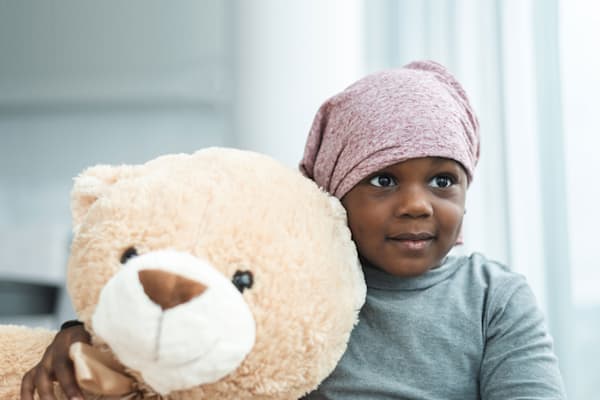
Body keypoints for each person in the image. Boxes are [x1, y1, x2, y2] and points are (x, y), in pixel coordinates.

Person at [21, 60, 566, 400]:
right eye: (382, 179)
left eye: (443, 179)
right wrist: (86, 335)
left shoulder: (495, 298)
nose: (417, 205)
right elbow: (180, 312)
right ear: (333, 188)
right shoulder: (289, 281)